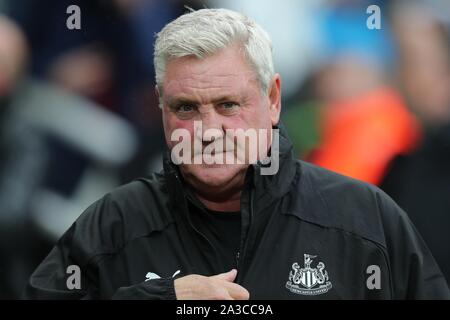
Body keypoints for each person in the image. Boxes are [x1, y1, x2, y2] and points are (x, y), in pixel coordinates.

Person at [24, 8, 449, 299]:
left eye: (228, 105)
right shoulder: (111, 225)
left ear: (274, 99)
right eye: (185, 108)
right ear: (160, 106)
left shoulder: (365, 221)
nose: (209, 132)